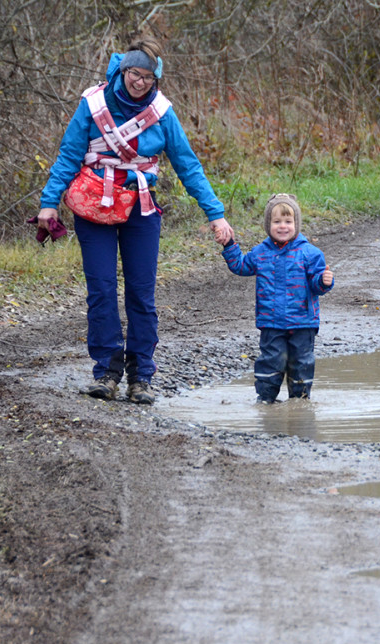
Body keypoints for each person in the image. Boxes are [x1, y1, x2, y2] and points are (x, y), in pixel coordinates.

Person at [37, 38, 234, 405]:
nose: (139, 82)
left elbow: (187, 164)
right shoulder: (93, 104)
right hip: (94, 207)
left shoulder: (162, 112)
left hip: (140, 208)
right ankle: (106, 372)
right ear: (121, 70)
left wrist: (215, 212)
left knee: (141, 294)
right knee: (101, 290)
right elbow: (68, 156)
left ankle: (140, 375)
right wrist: (49, 203)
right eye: (133, 74)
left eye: (147, 77)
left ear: (156, 79)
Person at [219, 194, 334, 403]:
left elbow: (316, 286)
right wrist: (229, 245)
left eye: (288, 222)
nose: (283, 227)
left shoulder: (310, 253)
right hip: (271, 321)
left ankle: (299, 400)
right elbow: (241, 266)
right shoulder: (261, 253)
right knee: (271, 360)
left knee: (301, 362)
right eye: (277, 222)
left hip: (303, 322)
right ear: (268, 225)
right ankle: (266, 399)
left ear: (296, 224)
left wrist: (324, 281)